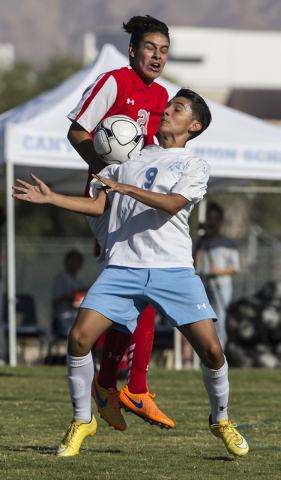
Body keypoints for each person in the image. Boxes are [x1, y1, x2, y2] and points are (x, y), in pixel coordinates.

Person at [13, 88, 249, 459]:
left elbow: (172, 204)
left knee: (212, 351)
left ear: (195, 125)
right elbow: (98, 205)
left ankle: (220, 419)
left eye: (178, 109)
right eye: (169, 105)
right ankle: (82, 421)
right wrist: (52, 198)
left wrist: (125, 187)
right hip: (123, 267)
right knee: (78, 339)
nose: (167, 111)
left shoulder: (194, 165)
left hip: (173, 270)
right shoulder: (129, 157)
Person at [67, 15, 173, 431]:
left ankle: (114, 383)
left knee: (142, 290)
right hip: (107, 200)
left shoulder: (162, 95)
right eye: (150, 48)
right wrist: (104, 171)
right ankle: (125, 385)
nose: (157, 56)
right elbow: (77, 130)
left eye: (163, 50)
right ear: (133, 50)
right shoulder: (114, 81)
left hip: (133, 199)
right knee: (138, 285)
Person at [193, 202, 240, 351]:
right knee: (203, 323)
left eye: (215, 219)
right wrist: (201, 244)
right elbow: (193, 264)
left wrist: (218, 271)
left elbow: (235, 268)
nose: (212, 222)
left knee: (219, 322)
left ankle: (220, 357)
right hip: (203, 286)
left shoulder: (228, 243)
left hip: (221, 288)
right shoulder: (200, 242)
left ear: (221, 221)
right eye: (209, 218)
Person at [52, 250, 88, 338]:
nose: (74, 263)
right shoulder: (61, 277)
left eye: (77, 260)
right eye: (72, 259)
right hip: (63, 317)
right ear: (66, 262)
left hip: (77, 316)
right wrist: (74, 294)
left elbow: (79, 301)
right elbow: (56, 299)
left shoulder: (79, 281)